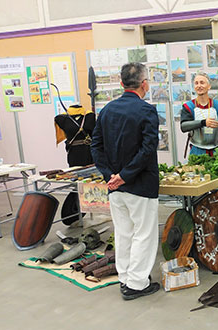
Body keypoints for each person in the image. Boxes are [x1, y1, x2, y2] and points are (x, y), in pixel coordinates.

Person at [91, 62, 160, 300]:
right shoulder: (147, 110)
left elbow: (96, 146)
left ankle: (126, 277)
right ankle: (137, 283)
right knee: (144, 234)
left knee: (123, 233)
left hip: (114, 186)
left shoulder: (107, 110)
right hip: (140, 184)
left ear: (121, 83)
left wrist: (110, 175)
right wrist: (125, 175)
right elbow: (148, 149)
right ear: (144, 84)